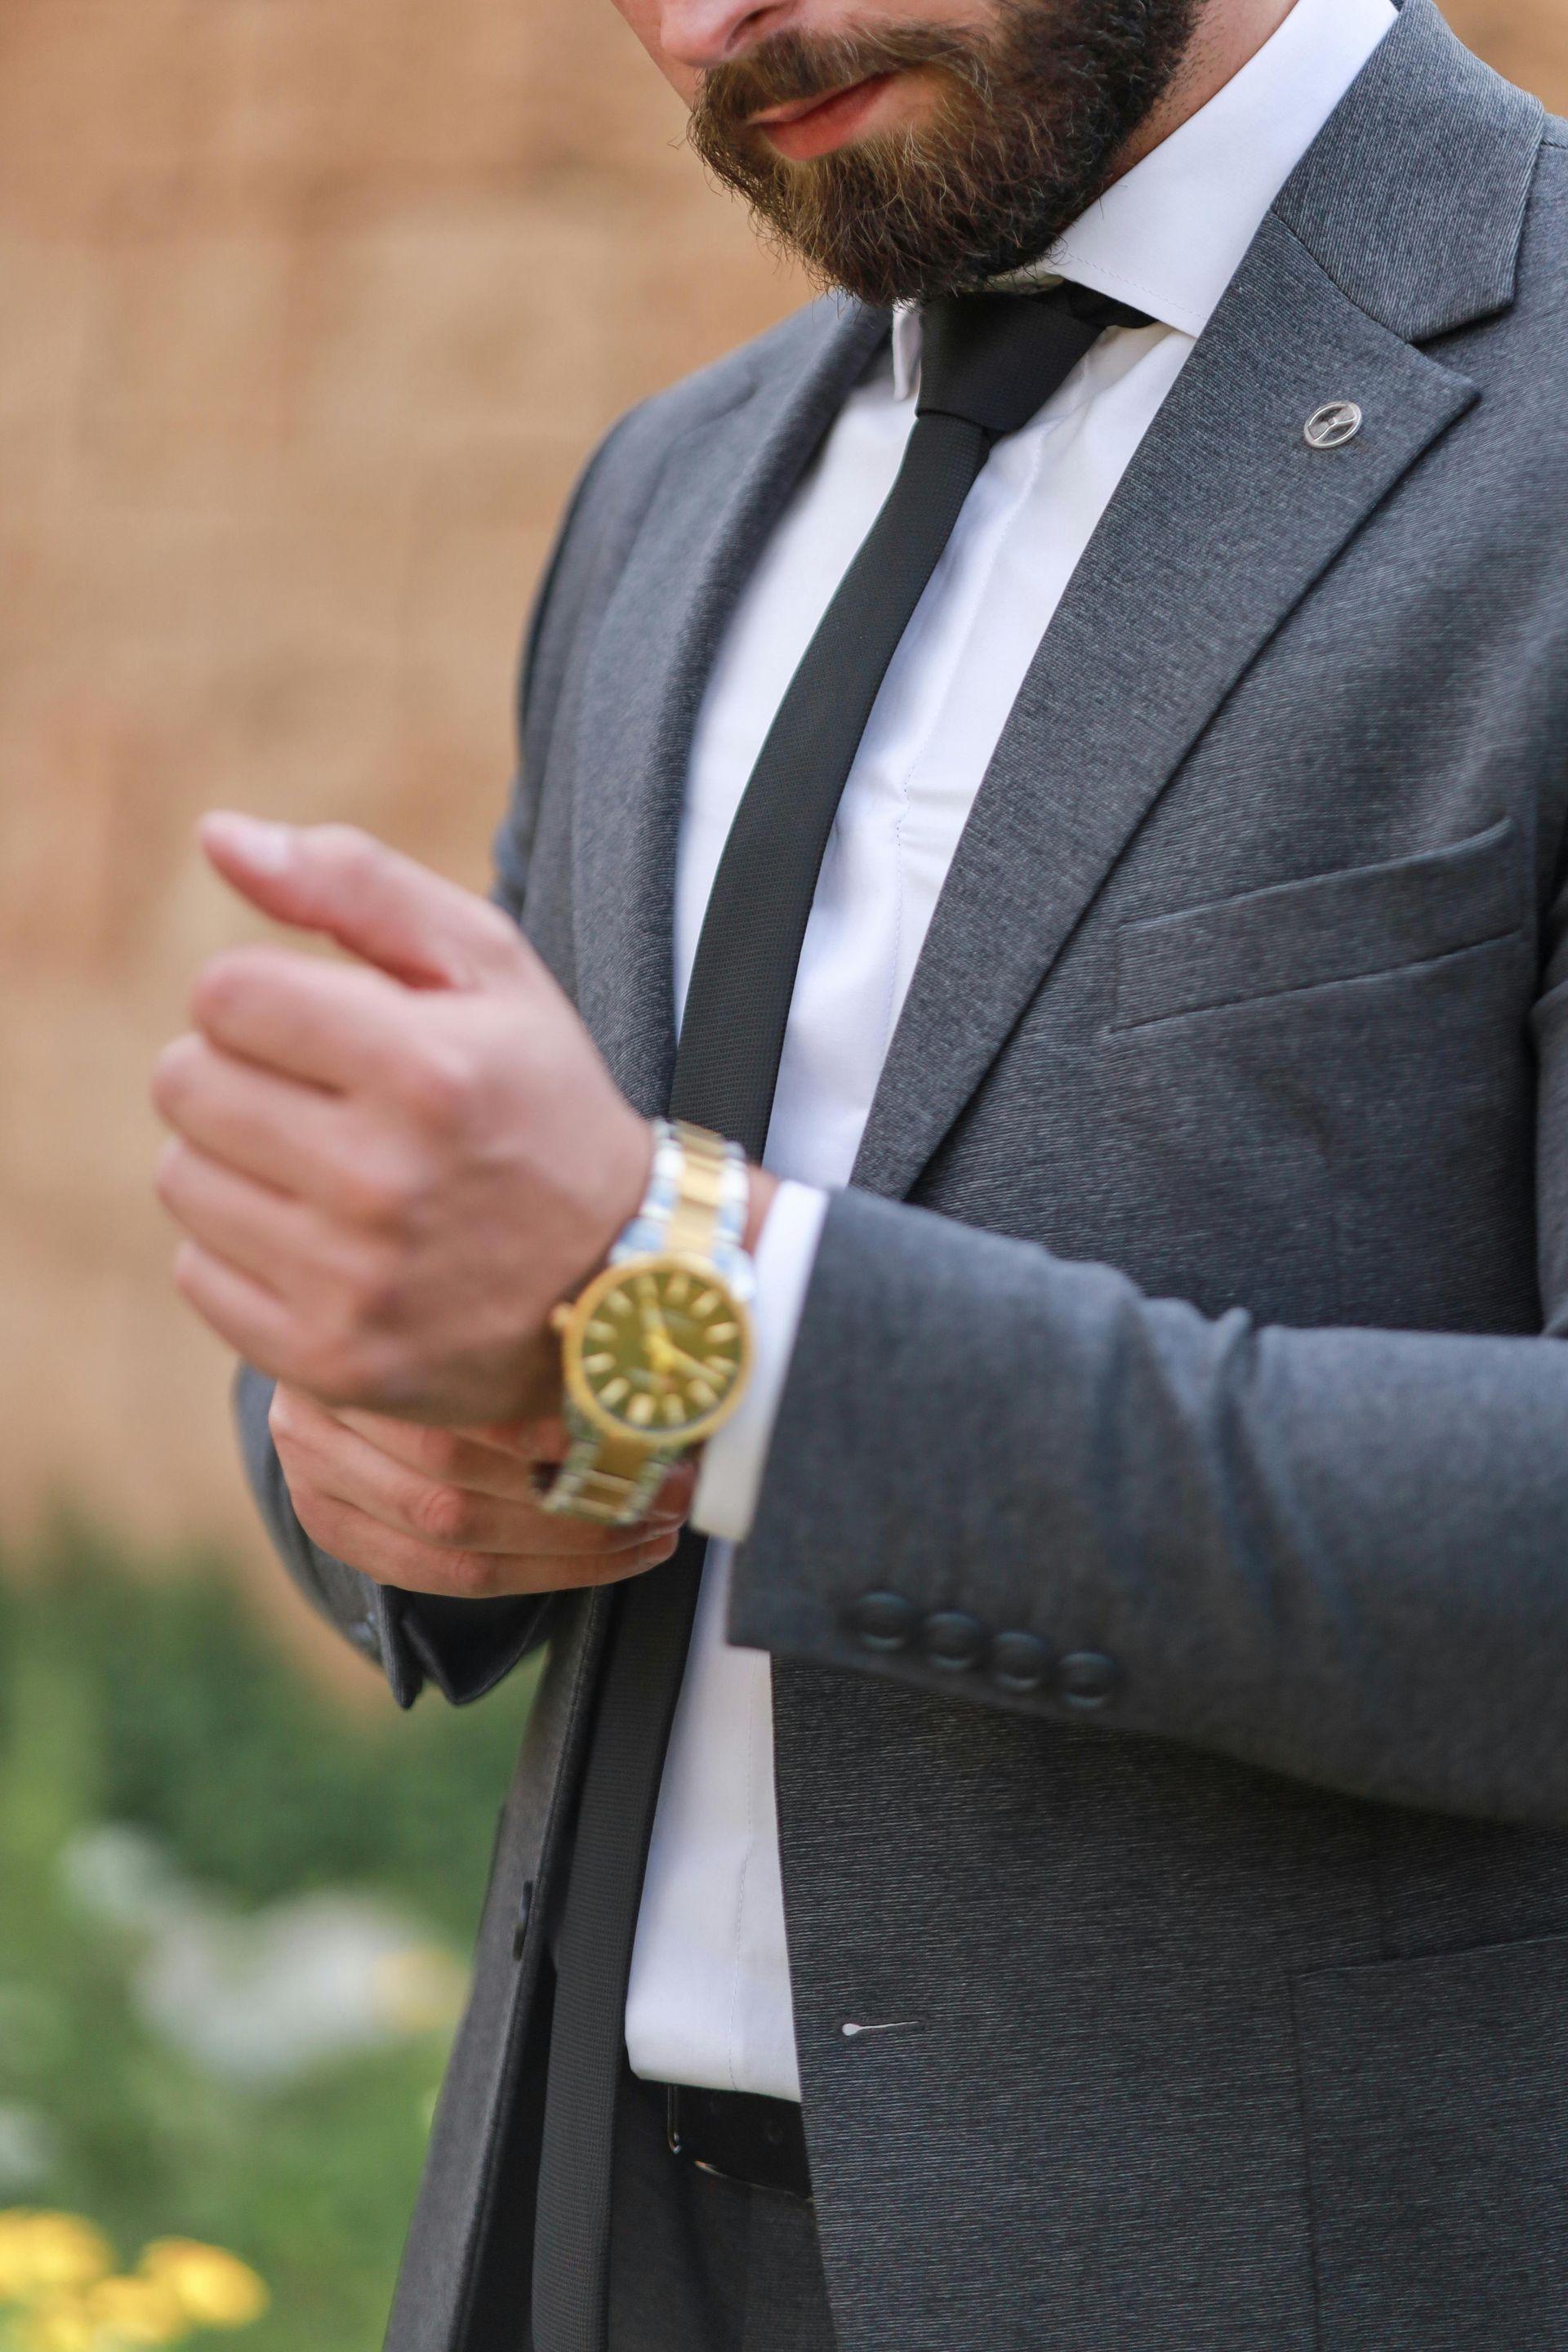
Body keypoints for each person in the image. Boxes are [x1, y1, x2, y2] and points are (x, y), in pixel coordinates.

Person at [150, 0, 1568, 2340]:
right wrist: (374, 1429)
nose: (705, 25)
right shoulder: (675, 486)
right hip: (573, 2236)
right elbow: (559, 1264)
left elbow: (662, 1284)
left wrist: (685, 1329)